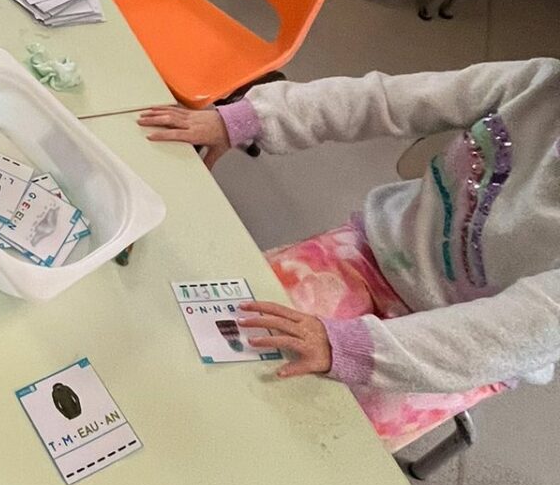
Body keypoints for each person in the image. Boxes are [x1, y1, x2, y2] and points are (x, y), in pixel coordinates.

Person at [139, 59, 560, 445]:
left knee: (287, 442)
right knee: (179, 346)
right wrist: (252, 118)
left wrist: (351, 348)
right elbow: (386, 99)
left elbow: (515, 332)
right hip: (375, 255)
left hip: (457, 347)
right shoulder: (538, 82)